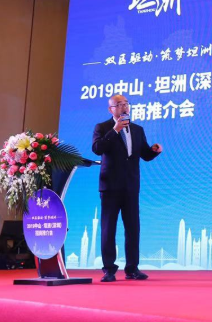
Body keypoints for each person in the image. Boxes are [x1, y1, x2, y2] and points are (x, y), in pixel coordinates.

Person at [92, 95, 162, 283]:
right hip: (110, 186)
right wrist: (115, 130)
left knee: (133, 228)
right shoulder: (103, 127)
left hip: (131, 186)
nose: (124, 107)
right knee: (108, 229)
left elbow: (144, 154)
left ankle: (132, 268)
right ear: (111, 109)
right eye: (119, 105)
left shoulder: (137, 129)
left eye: (126, 104)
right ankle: (109, 269)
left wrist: (153, 151)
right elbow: (97, 148)